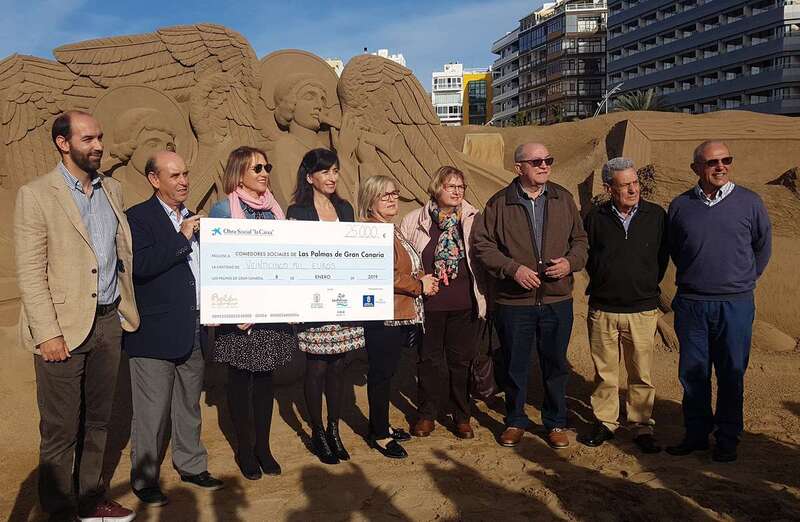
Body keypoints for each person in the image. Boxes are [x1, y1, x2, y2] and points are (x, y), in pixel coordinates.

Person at [14, 110, 139, 522]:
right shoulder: (36, 194)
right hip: (62, 329)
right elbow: (31, 272)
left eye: (100, 137)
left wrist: (122, 311)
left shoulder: (112, 191)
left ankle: (90, 498)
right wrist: (47, 333)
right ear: (62, 143)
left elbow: (117, 257)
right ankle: (58, 510)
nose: (98, 145)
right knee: (60, 430)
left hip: (107, 322)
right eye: (88, 139)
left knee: (99, 422)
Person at [472, 142, 588, 449]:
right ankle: (515, 420)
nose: (544, 166)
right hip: (514, 303)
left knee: (555, 365)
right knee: (514, 365)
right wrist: (512, 269)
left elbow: (580, 241)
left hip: (556, 300)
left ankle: (555, 422)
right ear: (519, 167)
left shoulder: (563, 199)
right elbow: (483, 246)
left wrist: (570, 263)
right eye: (536, 161)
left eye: (548, 160)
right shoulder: (499, 204)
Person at [124, 150, 224, 506]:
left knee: (188, 405)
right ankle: (145, 478)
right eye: (175, 176)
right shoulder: (137, 218)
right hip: (153, 334)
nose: (183, 182)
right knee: (151, 412)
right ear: (154, 179)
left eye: (185, 174)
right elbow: (141, 266)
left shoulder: (194, 218)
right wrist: (182, 238)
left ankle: (191, 464)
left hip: (194, 328)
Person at [666, 140, 771, 463]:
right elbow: (674, 246)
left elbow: (762, 247)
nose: (721, 167)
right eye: (712, 162)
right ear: (696, 168)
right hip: (692, 303)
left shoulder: (749, 202)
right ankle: (696, 434)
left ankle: (727, 438)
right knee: (693, 373)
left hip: (734, 304)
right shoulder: (680, 205)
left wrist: (742, 279)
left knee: (731, 372)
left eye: (726, 160)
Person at [209, 146, 297, 480]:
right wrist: (237, 306)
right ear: (239, 173)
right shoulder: (222, 210)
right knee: (239, 382)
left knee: (264, 382)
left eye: (266, 166)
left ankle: (263, 448)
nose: (263, 172)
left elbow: (285, 260)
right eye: (256, 168)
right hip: (239, 316)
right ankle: (244, 450)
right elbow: (217, 263)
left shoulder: (276, 211)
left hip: (270, 314)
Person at [581, 157, 668, 454]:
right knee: (605, 372)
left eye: (635, 183)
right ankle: (606, 422)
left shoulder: (656, 216)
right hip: (603, 309)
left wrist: (644, 284)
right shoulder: (595, 217)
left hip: (642, 309)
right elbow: (589, 259)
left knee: (640, 372)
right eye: (625, 184)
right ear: (609, 188)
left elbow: (662, 259)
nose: (633, 189)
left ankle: (641, 424)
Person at [286, 148, 364, 465]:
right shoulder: (297, 211)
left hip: (344, 301)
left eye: (335, 171)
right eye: (325, 172)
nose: (332, 177)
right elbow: (292, 258)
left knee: (339, 365)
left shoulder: (345, 208)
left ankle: (334, 429)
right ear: (310, 177)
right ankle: (317, 432)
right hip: (312, 301)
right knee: (316, 366)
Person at [400, 166, 488, 439]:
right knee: (429, 361)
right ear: (437, 188)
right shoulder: (415, 220)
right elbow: (403, 259)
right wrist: (418, 278)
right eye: (451, 186)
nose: (457, 191)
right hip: (429, 304)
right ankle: (426, 414)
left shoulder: (473, 219)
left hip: (464, 303)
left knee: (460, 362)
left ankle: (462, 415)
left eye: (460, 187)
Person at [358, 175, 439, 458]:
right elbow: (383, 273)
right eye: (385, 195)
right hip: (383, 314)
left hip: (398, 312)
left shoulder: (390, 229)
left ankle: (381, 425)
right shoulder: (370, 231)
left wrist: (421, 277)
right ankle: (378, 433)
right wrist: (419, 285)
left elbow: (404, 266)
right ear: (370, 200)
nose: (393, 199)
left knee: (386, 372)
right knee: (381, 375)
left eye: (394, 193)